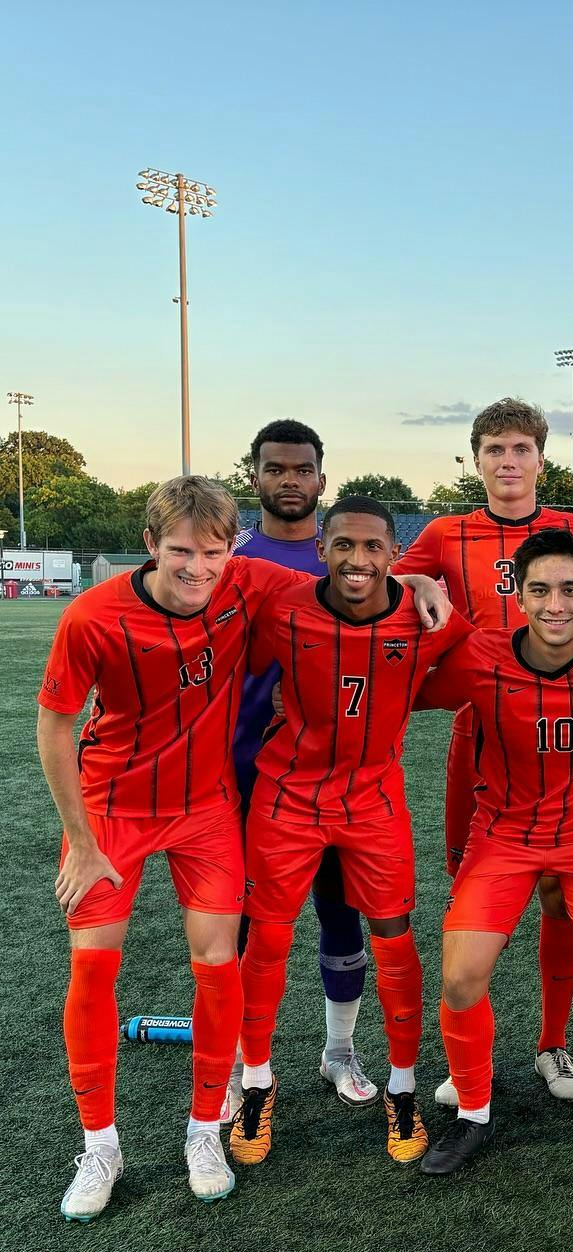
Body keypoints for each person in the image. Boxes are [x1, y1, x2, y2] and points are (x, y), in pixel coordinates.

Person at [36, 474, 449, 1220]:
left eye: (212, 553)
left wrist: (414, 579)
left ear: (233, 550)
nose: (197, 568)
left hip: (207, 810)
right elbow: (55, 725)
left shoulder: (249, 580)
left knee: (219, 966)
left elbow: (351, 579)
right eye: (180, 552)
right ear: (150, 545)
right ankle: (100, 1146)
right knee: (93, 971)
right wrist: (82, 840)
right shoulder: (92, 616)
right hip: (112, 810)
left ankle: (205, 1131)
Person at [230, 497, 470, 1167]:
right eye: (342, 545)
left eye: (372, 547)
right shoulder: (282, 607)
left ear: (394, 553)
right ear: (322, 550)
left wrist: (412, 673)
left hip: (374, 798)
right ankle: (257, 1083)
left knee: (394, 939)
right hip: (287, 794)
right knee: (267, 939)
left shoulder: (426, 614)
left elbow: (478, 661)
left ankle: (402, 1088)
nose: (357, 559)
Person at [395, 397, 573, 1106]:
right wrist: (416, 578)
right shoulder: (444, 531)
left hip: (570, 740)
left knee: (561, 895)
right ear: (477, 459)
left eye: (521, 448)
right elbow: (385, 583)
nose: (509, 461)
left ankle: (552, 1044)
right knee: (471, 887)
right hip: (481, 736)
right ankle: (469, 1060)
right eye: (495, 449)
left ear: (541, 459)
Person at [413, 531, 573, 1175]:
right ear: (517, 597)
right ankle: (473, 1112)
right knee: (460, 976)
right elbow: (404, 686)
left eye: (571, 590)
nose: (556, 604)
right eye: (540, 590)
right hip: (503, 835)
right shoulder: (480, 653)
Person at [226, 419, 375, 1118]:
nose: (290, 481)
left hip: (341, 778)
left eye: (302, 469)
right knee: (245, 925)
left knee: (341, 912)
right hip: (247, 770)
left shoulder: (349, 558)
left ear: (322, 476)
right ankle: (240, 1060)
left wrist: (418, 582)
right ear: (254, 475)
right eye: (276, 469)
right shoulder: (227, 560)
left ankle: (339, 1050)